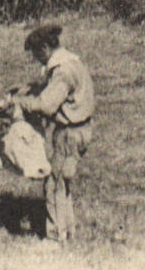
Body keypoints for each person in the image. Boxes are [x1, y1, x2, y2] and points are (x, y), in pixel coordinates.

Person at [11, 23, 95, 243]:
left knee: (53, 184)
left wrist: (19, 101)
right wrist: (29, 88)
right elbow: (53, 90)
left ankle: (54, 237)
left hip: (68, 133)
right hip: (81, 130)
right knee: (64, 183)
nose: (37, 60)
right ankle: (68, 232)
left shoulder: (62, 71)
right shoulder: (72, 62)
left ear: (45, 49)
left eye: (37, 54)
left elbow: (47, 106)